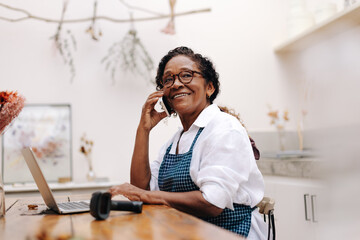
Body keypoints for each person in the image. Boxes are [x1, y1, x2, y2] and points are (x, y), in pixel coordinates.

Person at [109, 46, 267, 239]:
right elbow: (143, 188)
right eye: (168, 79)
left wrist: (143, 196)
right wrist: (144, 130)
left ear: (210, 87)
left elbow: (212, 203)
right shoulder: (175, 140)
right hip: (188, 231)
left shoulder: (224, 128)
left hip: (229, 232)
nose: (176, 84)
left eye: (186, 75)